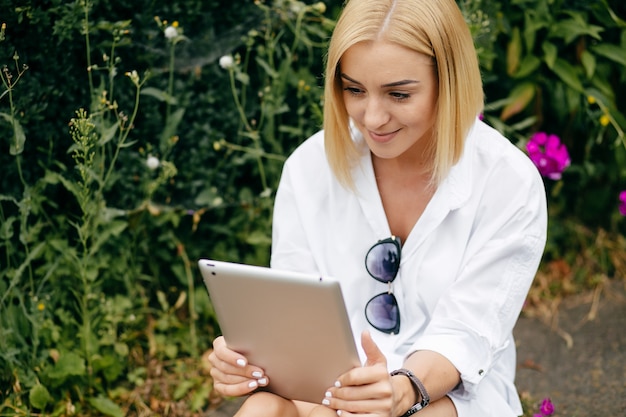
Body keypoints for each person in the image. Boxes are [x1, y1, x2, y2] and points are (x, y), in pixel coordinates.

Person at [208, 0, 547, 415]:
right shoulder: (309, 168)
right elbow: (295, 314)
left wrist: (400, 391)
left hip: (446, 392)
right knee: (262, 409)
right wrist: (247, 362)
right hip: (330, 386)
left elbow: (467, 333)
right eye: (354, 89)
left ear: (450, 81)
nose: (372, 118)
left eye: (398, 94)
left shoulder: (506, 180)